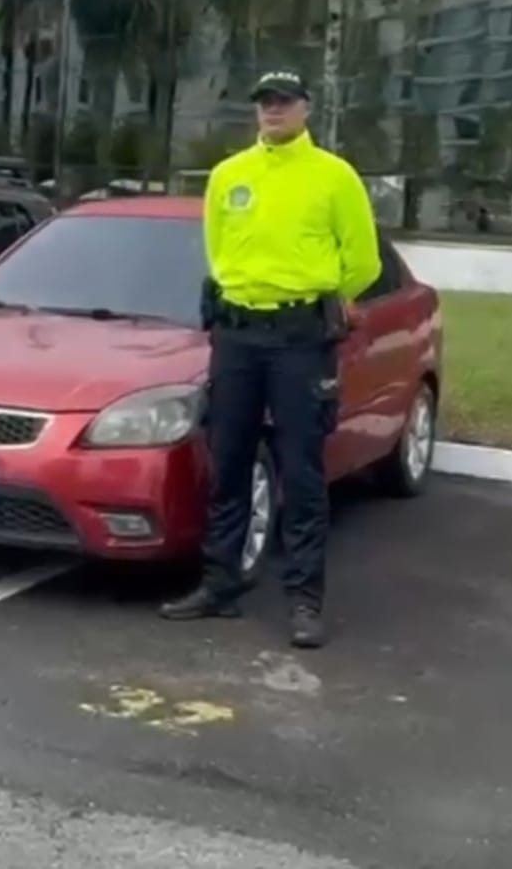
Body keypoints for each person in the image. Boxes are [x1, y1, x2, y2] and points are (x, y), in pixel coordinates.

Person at [161, 69, 381, 649]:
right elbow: (217, 247)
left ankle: (305, 599)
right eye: (265, 102)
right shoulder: (229, 175)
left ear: (306, 107)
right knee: (228, 459)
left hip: (299, 338)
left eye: (284, 101)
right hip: (236, 334)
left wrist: (319, 293)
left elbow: (363, 260)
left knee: (302, 469)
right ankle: (219, 585)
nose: (273, 110)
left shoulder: (334, 177)